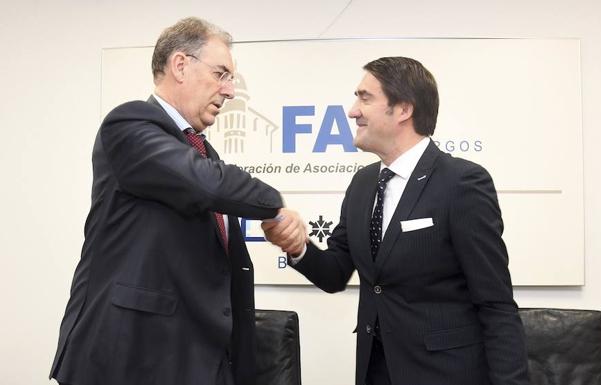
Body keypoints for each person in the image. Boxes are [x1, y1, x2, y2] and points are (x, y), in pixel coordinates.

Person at [49, 17, 297, 385]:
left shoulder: (203, 152)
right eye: (221, 74)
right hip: (128, 359)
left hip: (194, 357)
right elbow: (208, 186)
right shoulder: (129, 124)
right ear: (180, 65)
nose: (229, 91)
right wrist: (276, 207)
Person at [263, 57, 531, 385]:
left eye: (365, 97)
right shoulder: (362, 184)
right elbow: (335, 273)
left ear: (403, 109)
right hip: (376, 371)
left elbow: (495, 303)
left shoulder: (461, 183)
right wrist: (296, 245)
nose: (352, 111)